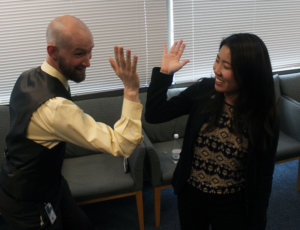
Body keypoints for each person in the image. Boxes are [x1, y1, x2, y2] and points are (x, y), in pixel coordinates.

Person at [0, 15, 143, 230]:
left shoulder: (28, 76)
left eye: (89, 50)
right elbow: (121, 144)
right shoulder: (54, 107)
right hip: (29, 201)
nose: (88, 61)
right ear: (52, 52)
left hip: (51, 183)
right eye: (79, 54)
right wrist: (131, 90)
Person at [145, 34, 279, 230]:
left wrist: (258, 220)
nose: (216, 70)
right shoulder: (204, 91)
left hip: (232, 204)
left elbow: (264, 175)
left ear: (249, 72)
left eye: (226, 66)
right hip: (191, 196)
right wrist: (164, 73)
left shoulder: (262, 116)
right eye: (217, 60)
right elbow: (155, 114)